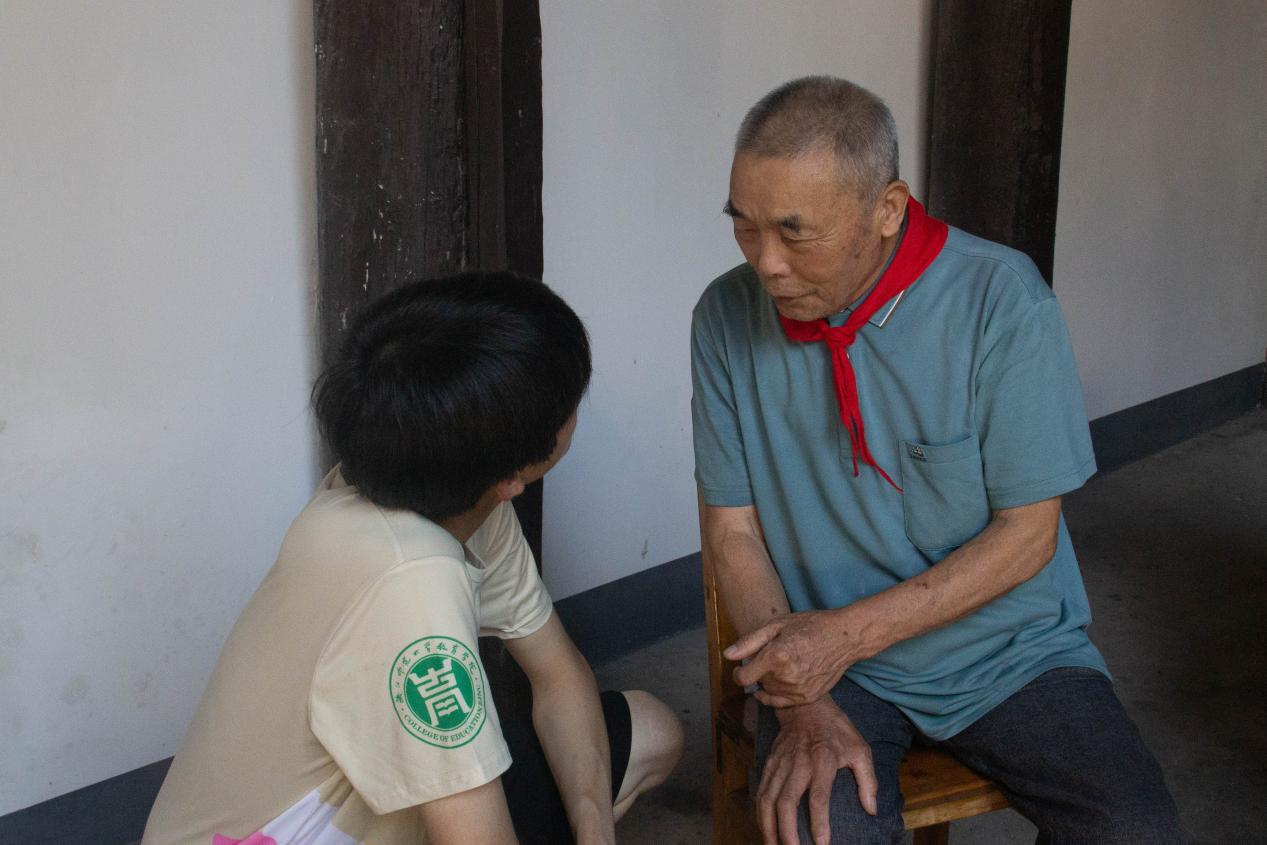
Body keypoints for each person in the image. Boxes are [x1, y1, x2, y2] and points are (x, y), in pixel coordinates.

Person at [691, 76, 1185, 845]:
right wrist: (801, 695)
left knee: (1134, 828)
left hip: (1010, 651)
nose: (767, 264)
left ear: (886, 209)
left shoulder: (1001, 301)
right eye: (744, 226)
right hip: (833, 667)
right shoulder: (724, 317)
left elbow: (1027, 536)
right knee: (822, 828)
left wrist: (844, 636)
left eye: (794, 233)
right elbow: (733, 531)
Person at [143, 272, 683, 845]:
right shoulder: (412, 576)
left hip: (370, 815)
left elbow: (557, 672)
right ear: (513, 473)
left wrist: (594, 832)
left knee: (649, 731)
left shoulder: (445, 490)